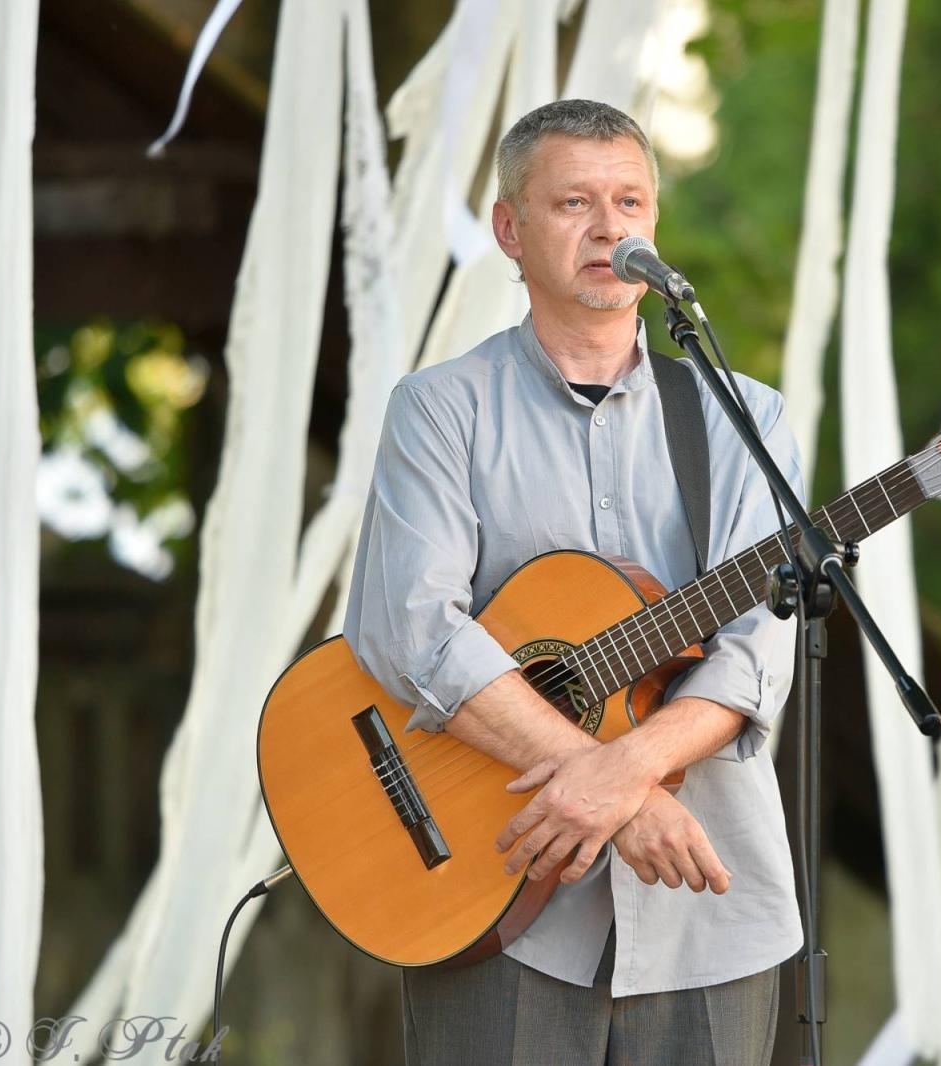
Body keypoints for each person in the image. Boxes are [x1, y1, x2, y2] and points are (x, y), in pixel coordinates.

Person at [342, 98, 803, 1065]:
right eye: (574, 204)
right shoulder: (439, 410)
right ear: (510, 229)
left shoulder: (742, 416)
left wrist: (621, 772)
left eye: (630, 202)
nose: (609, 229)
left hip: (706, 911)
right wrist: (626, 793)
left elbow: (756, 646)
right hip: (483, 884)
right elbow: (415, 627)